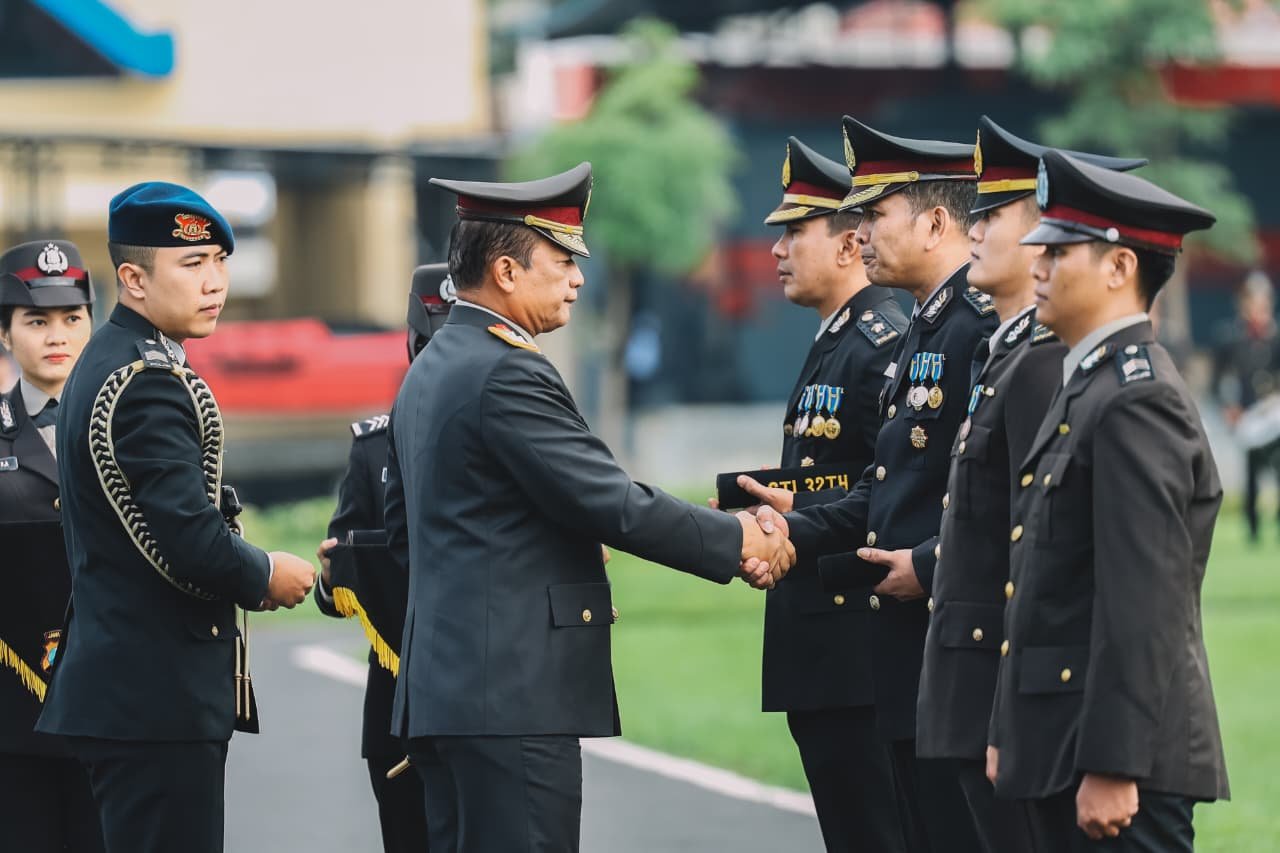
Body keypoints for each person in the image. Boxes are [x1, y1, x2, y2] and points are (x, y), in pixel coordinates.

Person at [383, 162, 794, 853]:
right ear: (506, 272)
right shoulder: (504, 369)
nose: (577, 278)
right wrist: (740, 539)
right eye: (562, 261)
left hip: (451, 696)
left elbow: (449, 523)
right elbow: (611, 500)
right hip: (507, 698)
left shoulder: (435, 364)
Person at [35, 182, 318, 853]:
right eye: (192, 264)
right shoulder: (147, 382)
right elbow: (189, 540)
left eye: (220, 260)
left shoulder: (115, 357)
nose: (215, 281)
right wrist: (265, 572)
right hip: (152, 700)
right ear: (133, 279)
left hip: (130, 695)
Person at [741, 117, 995, 852]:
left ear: (935, 223)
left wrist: (930, 565)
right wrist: (794, 519)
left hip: (940, 644)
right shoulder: (922, 327)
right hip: (898, 652)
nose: (861, 232)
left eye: (876, 214)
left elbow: (995, 499)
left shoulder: (969, 327)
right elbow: (885, 485)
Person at [986, 150, 1229, 852]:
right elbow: (1042, 583)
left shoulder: (1136, 399)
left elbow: (1143, 599)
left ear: (1120, 267)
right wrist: (1011, 728)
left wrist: (1115, 763)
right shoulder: (1090, 386)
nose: (1036, 265)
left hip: (1121, 765)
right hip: (1064, 742)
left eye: (1058, 252)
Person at [914, 117, 1145, 853]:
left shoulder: (1045, 363)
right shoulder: (1005, 353)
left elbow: (1049, 551)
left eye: (994, 214)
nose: (975, 230)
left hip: (1011, 689)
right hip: (983, 686)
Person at [754, 135, 908, 852]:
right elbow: (833, 471)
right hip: (822, 649)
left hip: (855, 650)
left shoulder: (880, 343)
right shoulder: (836, 339)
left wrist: (792, 521)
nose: (777, 249)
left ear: (850, 244)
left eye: (795, 231)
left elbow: (893, 485)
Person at [312, 263, 453, 853]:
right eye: (437, 343)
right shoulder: (373, 448)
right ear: (413, 345)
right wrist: (330, 580)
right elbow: (336, 572)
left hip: (487, 703)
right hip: (396, 705)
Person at [0, 239, 105, 852]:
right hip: (15, 714)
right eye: (36, 321)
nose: (57, 336)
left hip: (116, 710)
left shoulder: (133, 423)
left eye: (72, 318)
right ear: (6, 334)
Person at [1212, 269, 1280, 542]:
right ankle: (1252, 526)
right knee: (1252, 471)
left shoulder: (1275, 337)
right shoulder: (1231, 337)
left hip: (1273, 413)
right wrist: (1229, 407)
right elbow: (1219, 380)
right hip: (1247, 415)